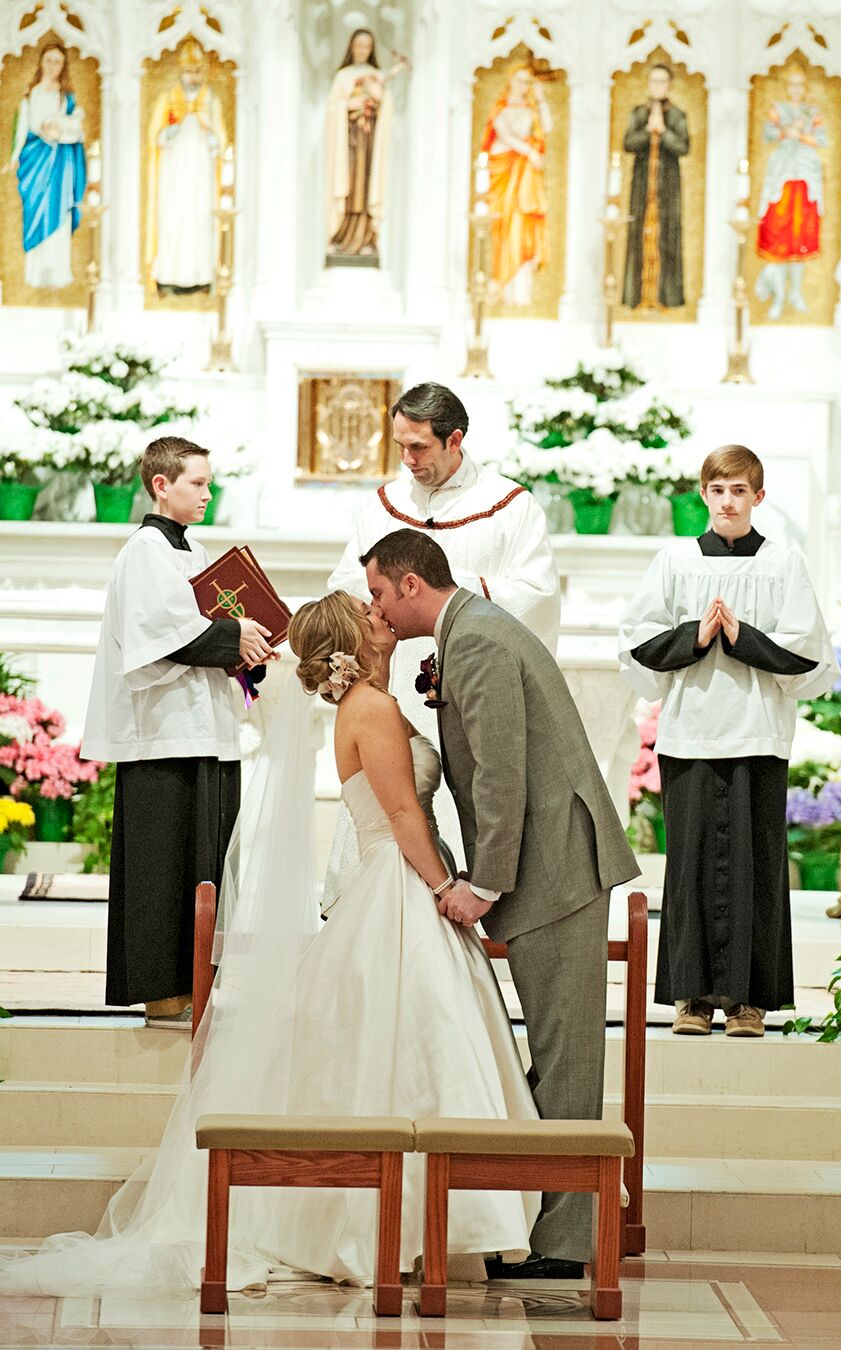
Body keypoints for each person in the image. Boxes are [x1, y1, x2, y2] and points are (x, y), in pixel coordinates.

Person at [0, 590, 538, 1296]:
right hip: (399, 883)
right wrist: (448, 889)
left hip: (395, 884)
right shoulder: (369, 710)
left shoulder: (375, 701)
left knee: (409, 1045)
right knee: (410, 1042)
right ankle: (394, 1226)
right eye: (371, 613)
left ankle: (419, 1224)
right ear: (355, 639)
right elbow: (404, 813)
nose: (384, 616)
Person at [363, 529, 639, 1279]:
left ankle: (568, 1244)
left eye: (382, 593)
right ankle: (557, 1230)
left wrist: (483, 883)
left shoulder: (478, 639)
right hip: (548, 864)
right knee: (555, 1056)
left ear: (412, 584)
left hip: (554, 869)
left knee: (565, 1057)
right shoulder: (470, 631)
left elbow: (501, 773)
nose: (377, 608)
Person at [618, 445, 837, 1038]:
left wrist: (741, 637)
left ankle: (749, 1003)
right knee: (688, 866)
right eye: (718, 491)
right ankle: (691, 999)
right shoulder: (674, 561)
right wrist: (696, 634)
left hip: (758, 734)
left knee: (756, 866)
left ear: (758, 497)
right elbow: (638, 640)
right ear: (704, 495)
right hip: (690, 734)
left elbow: (808, 654)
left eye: (740, 491)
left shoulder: (784, 564)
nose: (728, 501)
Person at [327, 381, 560, 896]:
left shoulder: (509, 504)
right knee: (395, 806)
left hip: (476, 685)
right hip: (397, 685)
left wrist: (450, 599)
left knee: (475, 798)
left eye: (419, 447)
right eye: (400, 446)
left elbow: (538, 594)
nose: (407, 460)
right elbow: (344, 585)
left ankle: (474, 898)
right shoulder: (382, 505)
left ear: (455, 440)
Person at [81, 436, 275, 1028]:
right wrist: (233, 635)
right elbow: (160, 635)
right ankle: (163, 991)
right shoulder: (143, 552)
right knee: (162, 868)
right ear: (161, 484)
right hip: (163, 737)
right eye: (197, 483)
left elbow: (217, 620)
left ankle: (199, 982)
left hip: (209, 732)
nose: (207, 493)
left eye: (210, 483)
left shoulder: (196, 550)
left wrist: (254, 643)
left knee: (208, 863)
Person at [145, 38, 226, 294]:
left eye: (198, 71)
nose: (193, 76)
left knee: (200, 220)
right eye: (189, 71)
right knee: (174, 220)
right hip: (173, 174)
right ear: (181, 72)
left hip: (201, 175)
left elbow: (220, 142)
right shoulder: (169, 98)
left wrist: (206, 127)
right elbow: (154, 137)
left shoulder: (210, 100)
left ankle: (202, 277)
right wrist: (175, 128)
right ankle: (169, 277)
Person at [324, 28, 409, 262]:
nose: (362, 50)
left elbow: (386, 105)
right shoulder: (342, 76)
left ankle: (366, 237)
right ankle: (342, 234)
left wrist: (379, 98)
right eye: (358, 45)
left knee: (367, 184)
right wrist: (348, 104)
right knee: (349, 184)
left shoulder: (374, 74)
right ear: (351, 47)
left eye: (367, 46)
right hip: (348, 141)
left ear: (371, 50)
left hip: (369, 140)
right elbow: (332, 108)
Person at [9, 41, 86, 290]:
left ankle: (58, 273)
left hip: (60, 164)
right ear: (41, 62)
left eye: (58, 62)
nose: (53, 66)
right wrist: (13, 157)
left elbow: (77, 130)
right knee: (34, 210)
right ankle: (35, 273)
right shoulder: (30, 94)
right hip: (35, 159)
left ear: (63, 66)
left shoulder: (67, 98)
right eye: (49, 60)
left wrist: (59, 128)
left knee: (59, 211)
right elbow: (22, 130)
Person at [755, 65, 827, 321]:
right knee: (779, 233)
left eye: (801, 85)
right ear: (788, 88)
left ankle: (795, 292)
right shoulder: (779, 110)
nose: (796, 90)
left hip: (805, 176)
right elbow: (769, 133)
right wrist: (788, 131)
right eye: (792, 85)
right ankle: (778, 295)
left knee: (801, 236)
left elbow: (823, 139)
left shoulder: (812, 113)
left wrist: (803, 134)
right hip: (782, 177)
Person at [481, 63, 551, 307]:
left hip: (526, 179)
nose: (524, 86)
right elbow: (505, 134)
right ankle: (505, 288)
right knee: (505, 227)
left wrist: (541, 101)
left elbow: (548, 128)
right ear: (510, 81)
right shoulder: (500, 108)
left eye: (528, 82)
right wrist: (529, 152)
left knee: (525, 229)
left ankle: (522, 294)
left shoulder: (531, 109)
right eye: (520, 80)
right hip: (505, 172)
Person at [622, 62, 689, 310]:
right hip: (642, 183)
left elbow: (683, 146)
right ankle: (637, 296)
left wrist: (664, 132)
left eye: (662, 81)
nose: (657, 86)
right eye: (653, 81)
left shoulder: (678, 115)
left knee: (667, 235)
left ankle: (666, 296)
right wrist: (648, 130)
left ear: (669, 84)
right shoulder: (639, 113)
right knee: (639, 234)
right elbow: (628, 143)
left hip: (668, 184)